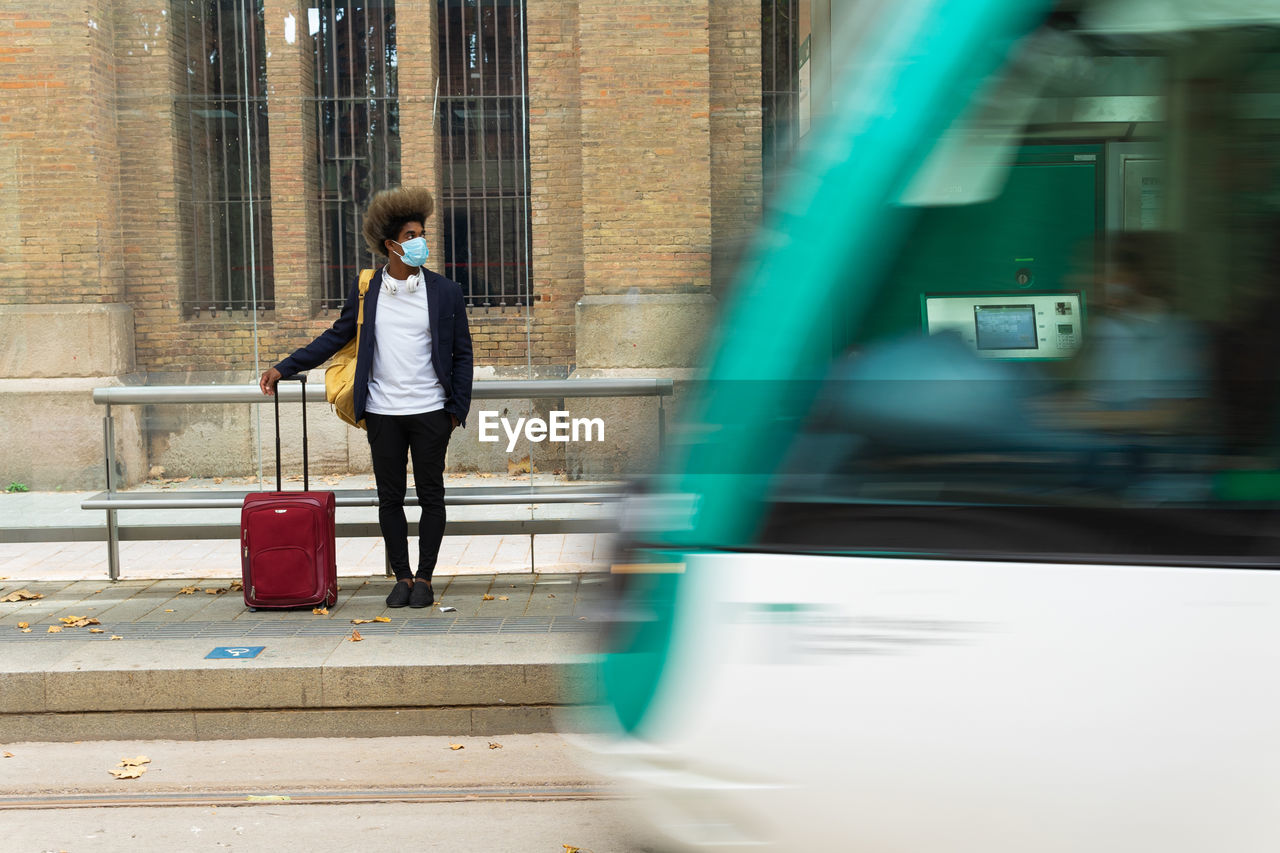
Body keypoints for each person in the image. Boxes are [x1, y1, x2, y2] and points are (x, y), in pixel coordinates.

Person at [259, 187, 473, 609]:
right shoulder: (367, 290)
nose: (420, 242)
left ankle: (426, 579)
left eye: (422, 233)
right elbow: (336, 337)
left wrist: (455, 411)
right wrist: (285, 366)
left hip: (431, 412)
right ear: (391, 244)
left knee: (432, 496)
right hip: (382, 413)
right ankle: (403, 578)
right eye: (411, 235)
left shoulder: (445, 292)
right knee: (389, 499)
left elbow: (462, 354)